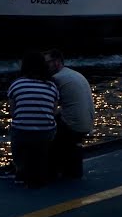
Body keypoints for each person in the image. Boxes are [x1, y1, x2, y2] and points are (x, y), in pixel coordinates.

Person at [6, 51, 59, 188]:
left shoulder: (16, 84)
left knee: (16, 128)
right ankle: (40, 168)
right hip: (45, 133)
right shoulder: (52, 86)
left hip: (22, 132)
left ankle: (20, 170)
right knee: (46, 133)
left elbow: (13, 113)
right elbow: (53, 113)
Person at [45, 49, 94, 180]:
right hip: (87, 124)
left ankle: (50, 170)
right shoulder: (74, 74)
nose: (45, 66)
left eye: (47, 63)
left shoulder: (56, 79)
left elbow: (50, 107)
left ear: (56, 62)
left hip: (73, 127)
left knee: (44, 127)